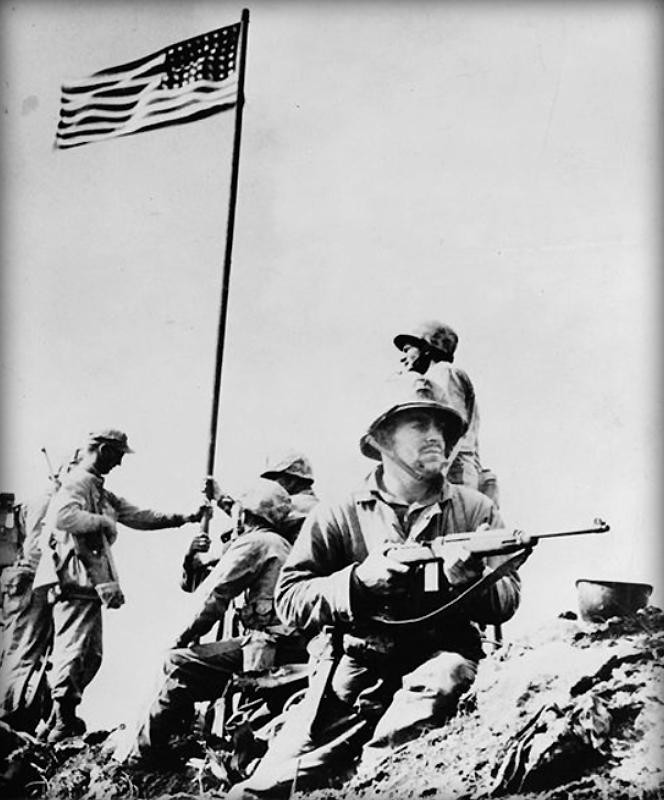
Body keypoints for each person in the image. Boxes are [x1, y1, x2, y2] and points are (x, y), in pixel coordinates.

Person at [229, 374, 527, 798]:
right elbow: (290, 598)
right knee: (256, 792)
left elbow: (507, 601)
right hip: (354, 673)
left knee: (421, 713)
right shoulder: (339, 512)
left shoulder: (476, 510)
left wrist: (472, 583)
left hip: (438, 664)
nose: (436, 437)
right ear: (384, 438)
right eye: (419, 425)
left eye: (441, 427)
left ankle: (370, 780)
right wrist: (357, 583)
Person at [31, 429, 203, 743]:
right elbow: (64, 517)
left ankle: (59, 718)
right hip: (74, 580)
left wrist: (185, 517)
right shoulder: (78, 482)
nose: (120, 463)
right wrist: (104, 523)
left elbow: (140, 516)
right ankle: (61, 722)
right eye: (118, 455)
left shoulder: (98, 490)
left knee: (90, 654)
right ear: (104, 450)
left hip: (87, 585)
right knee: (76, 650)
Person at [125, 478, 308, 767]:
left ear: (246, 515)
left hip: (270, 648)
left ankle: (143, 754)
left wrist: (181, 638)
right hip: (285, 646)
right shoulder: (279, 543)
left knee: (177, 662)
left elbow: (212, 597)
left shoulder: (257, 542)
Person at [0, 451, 80, 733]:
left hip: (24, 582)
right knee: (24, 650)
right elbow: (36, 551)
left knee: (27, 650)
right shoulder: (47, 503)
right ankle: (8, 716)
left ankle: (18, 715)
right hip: (29, 582)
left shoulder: (47, 502)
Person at [181, 451, 318, 592]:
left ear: (292, 479)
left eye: (273, 479)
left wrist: (222, 499)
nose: (268, 485)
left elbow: (260, 520)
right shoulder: (291, 509)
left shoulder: (305, 507)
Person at [394, 320, 499, 503]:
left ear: (426, 347)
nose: (403, 358)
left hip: (453, 472)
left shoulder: (443, 372)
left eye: (407, 350)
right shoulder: (435, 376)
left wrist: (435, 478)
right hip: (449, 469)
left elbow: (451, 428)